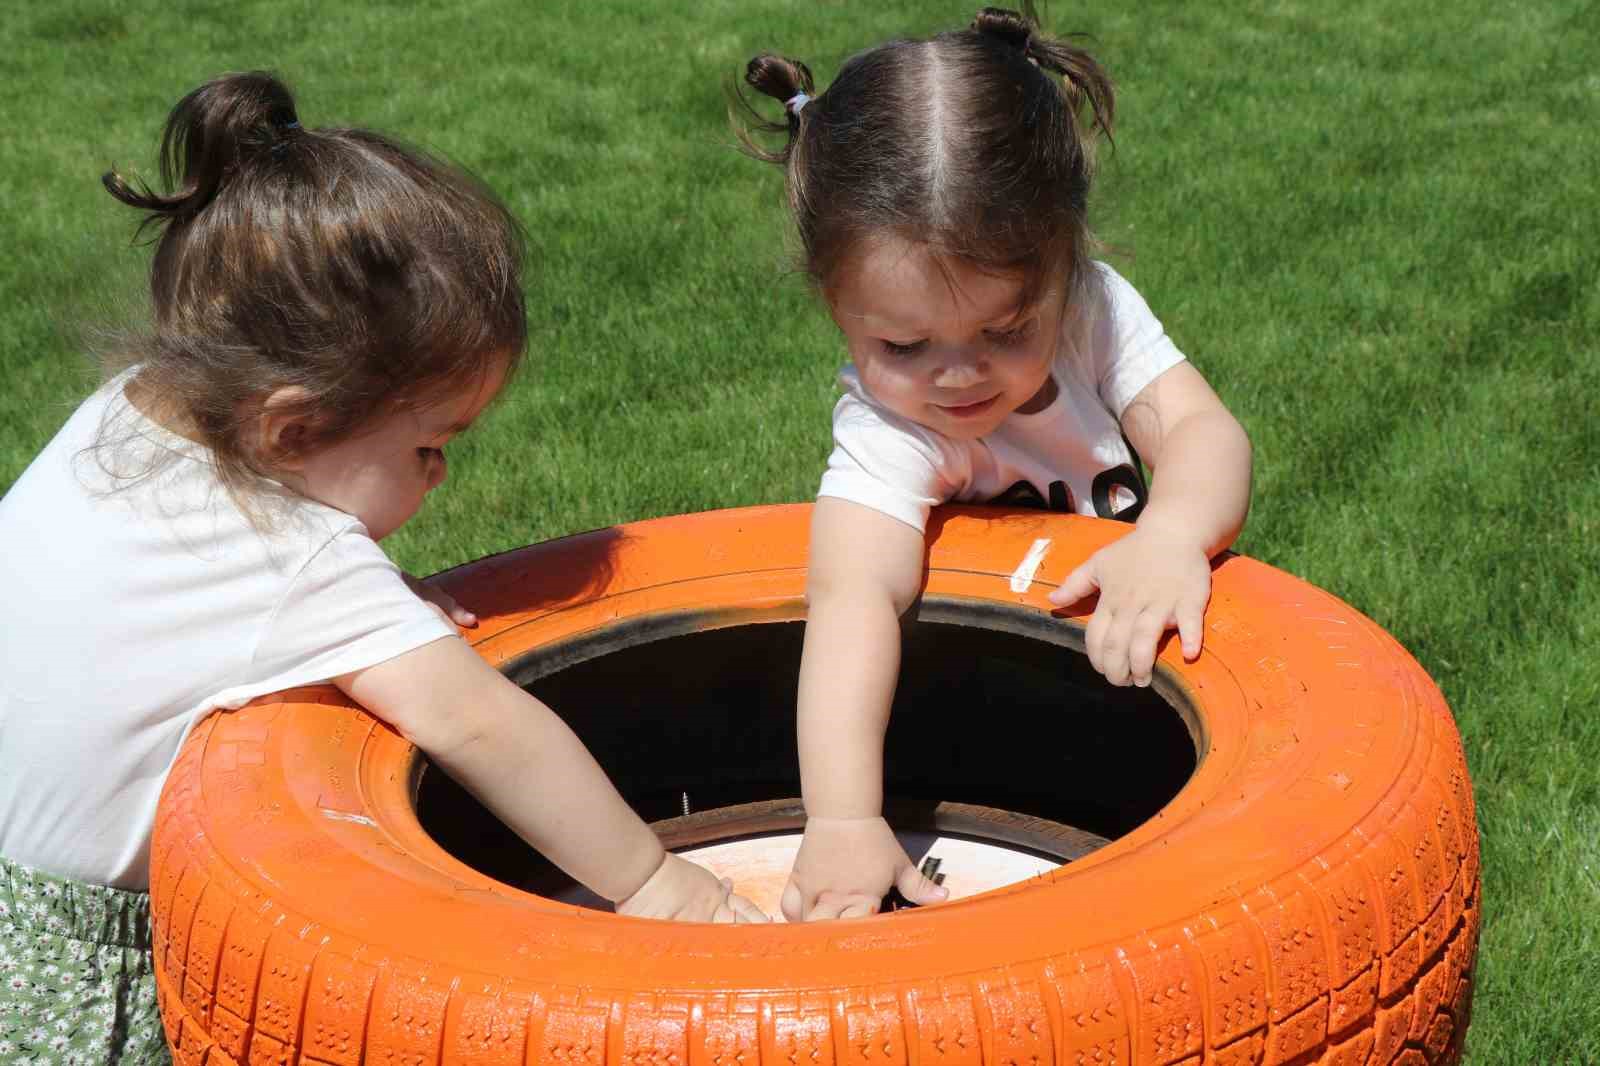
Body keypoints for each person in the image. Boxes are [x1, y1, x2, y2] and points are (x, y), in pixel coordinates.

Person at [0, 71, 763, 1064]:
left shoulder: (131, 411)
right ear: (288, 427)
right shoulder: (295, 557)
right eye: (429, 447)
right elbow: (481, 723)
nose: (442, 476)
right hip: (83, 966)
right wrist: (661, 884)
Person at [736, 6, 1252, 923]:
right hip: (987, 713)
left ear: (1065, 262)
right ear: (836, 306)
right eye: (903, 343)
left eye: (1007, 330)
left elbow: (1201, 431)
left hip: (1130, 660)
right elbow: (852, 595)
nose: (960, 373)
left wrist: (1170, 533)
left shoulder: (1088, 311)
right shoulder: (891, 428)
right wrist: (845, 815)